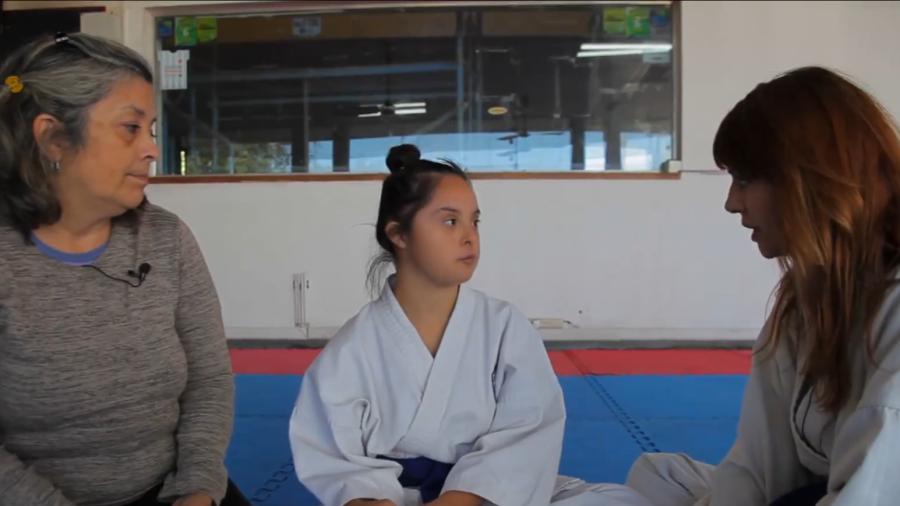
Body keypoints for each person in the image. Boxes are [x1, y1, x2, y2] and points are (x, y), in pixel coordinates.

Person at [288, 144, 652, 506]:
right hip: (394, 499)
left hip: (488, 497)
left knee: (622, 501)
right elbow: (334, 458)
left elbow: (528, 429)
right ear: (399, 234)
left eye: (474, 221)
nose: (468, 236)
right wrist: (366, 500)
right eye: (450, 221)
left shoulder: (504, 326)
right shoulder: (352, 348)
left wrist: (460, 499)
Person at [617, 66, 900, 506]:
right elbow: (759, 467)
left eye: (745, 181)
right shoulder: (802, 304)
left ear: (809, 180)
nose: (732, 203)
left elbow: (871, 494)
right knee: (658, 475)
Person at [0, 33, 249, 506]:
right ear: (53, 137)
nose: (152, 150)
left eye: (151, 130)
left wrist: (197, 487)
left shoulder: (166, 237)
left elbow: (210, 379)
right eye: (130, 128)